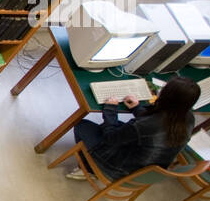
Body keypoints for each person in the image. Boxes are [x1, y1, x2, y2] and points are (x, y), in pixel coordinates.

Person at [65, 76, 200, 181]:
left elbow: (110, 138)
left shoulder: (145, 126)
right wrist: (136, 108)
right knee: (110, 127)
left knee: (82, 125)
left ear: (167, 97)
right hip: (145, 171)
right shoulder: (188, 117)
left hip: (120, 169)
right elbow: (154, 125)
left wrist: (110, 109)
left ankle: (89, 168)